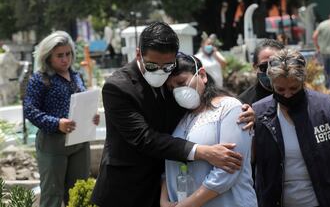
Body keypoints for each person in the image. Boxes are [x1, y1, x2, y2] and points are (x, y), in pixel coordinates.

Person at [91, 22, 255, 207]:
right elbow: (144, 138)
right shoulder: (118, 87)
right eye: (152, 66)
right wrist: (202, 152)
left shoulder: (173, 77)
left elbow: (198, 95)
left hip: (168, 189)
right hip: (128, 189)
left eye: (167, 66)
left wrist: (243, 108)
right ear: (139, 54)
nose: (160, 72)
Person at [253, 49, 330, 207]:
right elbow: (249, 159)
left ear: (303, 82)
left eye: (293, 89)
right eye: (280, 90)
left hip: (325, 200)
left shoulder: (324, 108)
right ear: (272, 85)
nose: (287, 95)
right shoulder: (258, 114)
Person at [160, 54, 257, 207]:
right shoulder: (180, 118)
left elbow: (228, 169)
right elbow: (170, 162)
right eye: (171, 88)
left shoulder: (229, 108)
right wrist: (164, 200)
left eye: (181, 82)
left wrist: (187, 205)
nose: (177, 91)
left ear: (202, 75)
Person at [23, 31, 100, 207]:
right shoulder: (40, 79)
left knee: (80, 192)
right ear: (48, 56)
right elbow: (29, 110)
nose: (65, 59)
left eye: (68, 54)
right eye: (59, 55)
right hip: (53, 144)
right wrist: (56, 123)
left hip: (79, 143)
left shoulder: (76, 76)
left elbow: (82, 103)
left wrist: (91, 117)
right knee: (52, 196)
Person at [238, 39, 285, 105]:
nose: (270, 71)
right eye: (264, 67)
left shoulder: (296, 94)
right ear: (255, 67)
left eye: (276, 65)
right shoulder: (244, 103)